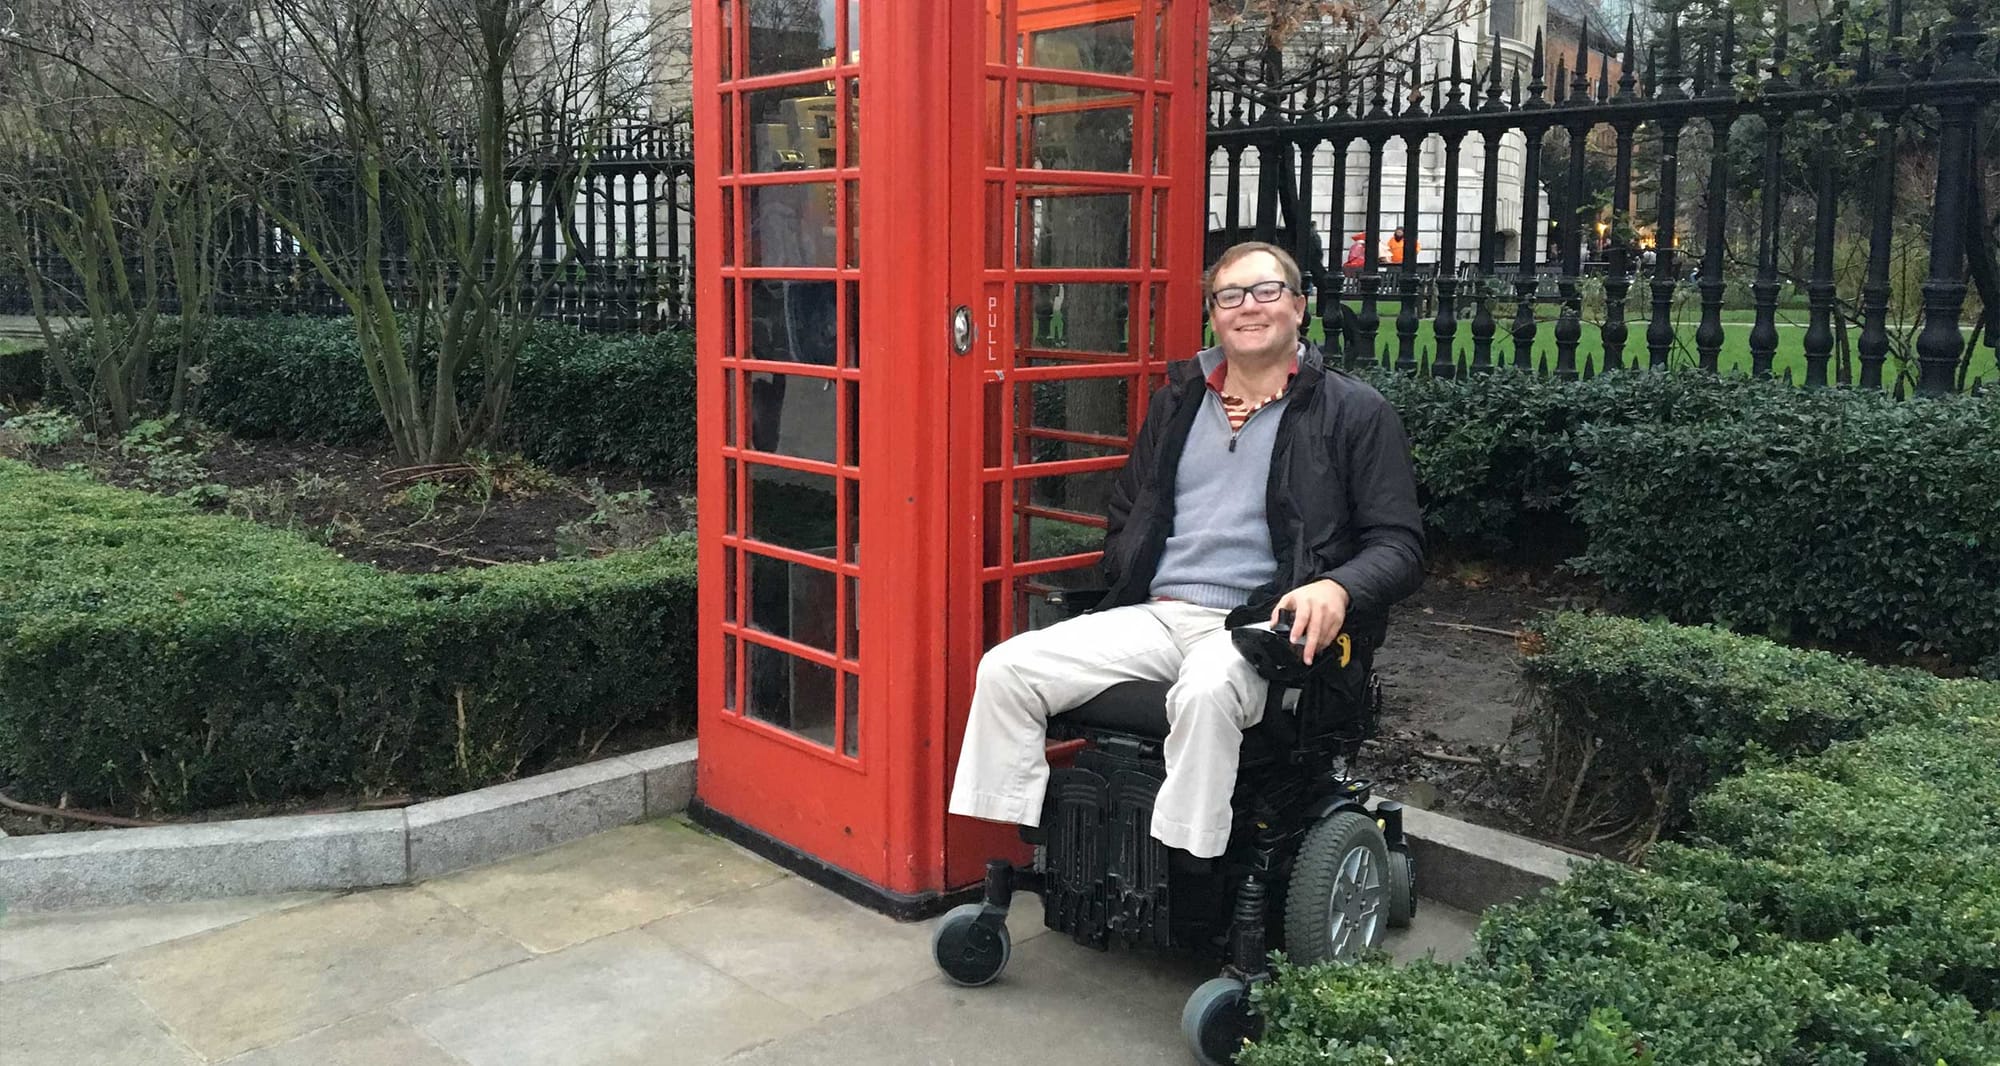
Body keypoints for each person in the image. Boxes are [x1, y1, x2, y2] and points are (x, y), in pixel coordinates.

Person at [947, 241, 1425, 860]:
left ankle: (1184, 865)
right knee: (1007, 669)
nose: (1248, 307)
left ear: (1300, 308)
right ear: (1214, 314)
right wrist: (1125, 571)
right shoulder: (1178, 402)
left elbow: (1401, 546)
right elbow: (1130, 511)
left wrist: (1337, 587)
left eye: (1266, 291)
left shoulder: (1353, 411)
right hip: (1159, 613)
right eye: (1229, 296)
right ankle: (1038, 844)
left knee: (1204, 690)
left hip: (1260, 624)